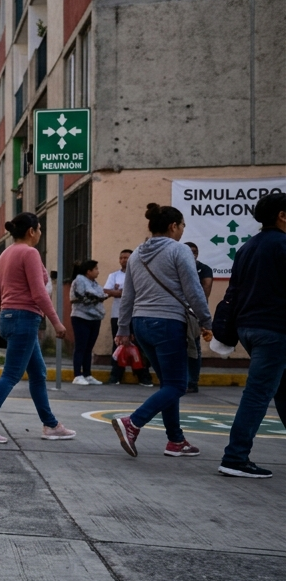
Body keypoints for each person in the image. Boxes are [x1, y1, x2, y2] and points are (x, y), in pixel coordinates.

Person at [111, 204, 212, 459]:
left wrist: (123, 328)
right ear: (173, 226)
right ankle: (133, 423)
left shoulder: (136, 254)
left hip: (141, 325)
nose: (182, 231)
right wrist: (207, 320)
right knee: (178, 384)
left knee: (168, 383)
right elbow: (193, 290)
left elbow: (128, 297)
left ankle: (175, 441)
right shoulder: (179, 250)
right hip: (167, 323)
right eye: (182, 226)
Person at [0, 213, 76, 442]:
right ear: (31, 231)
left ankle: (51, 425)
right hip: (24, 318)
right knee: (11, 374)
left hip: (10, 317)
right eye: (39, 229)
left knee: (38, 373)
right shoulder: (29, 253)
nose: (40, 233)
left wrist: (6, 309)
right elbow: (38, 292)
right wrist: (56, 321)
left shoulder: (6, 253)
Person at [216, 192, 286, 479]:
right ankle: (235, 457)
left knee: (282, 390)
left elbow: (235, 290)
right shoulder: (283, 245)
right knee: (258, 394)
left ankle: (236, 455)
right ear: (282, 215)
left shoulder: (247, 247)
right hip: (275, 330)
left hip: (247, 328)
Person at [103, 249, 151, 386]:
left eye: (127, 257)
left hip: (137, 315)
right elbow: (106, 291)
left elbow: (138, 293)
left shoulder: (140, 275)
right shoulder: (114, 275)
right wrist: (122, 292)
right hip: (117, 315)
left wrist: (118, 291)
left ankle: (143, 376)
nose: (124, 260)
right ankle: (116, 375)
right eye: (121, 257)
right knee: (118, 344)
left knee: (140, 345)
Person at [69, 260, 109, 385]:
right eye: (96, 269)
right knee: (81, 347)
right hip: (82, 317)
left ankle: (87, 374)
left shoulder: (94, 283)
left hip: (95, 317)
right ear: (88, 271)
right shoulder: (79, 280)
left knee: (89, 347)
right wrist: (102, 296)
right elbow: (86, 296)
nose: (98, 271)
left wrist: (102, 295)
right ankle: (77, 375)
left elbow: (101, 293)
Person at [185, 242, 215, 393]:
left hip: (193, 313)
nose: (192, 254)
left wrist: (203, 318)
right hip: (175, 311)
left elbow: (204, 292)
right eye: (189, 251)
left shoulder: (204, 269)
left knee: (193, 347)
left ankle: (192, 381)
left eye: (195, 251)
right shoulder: (177, 266)